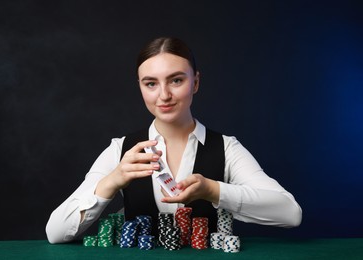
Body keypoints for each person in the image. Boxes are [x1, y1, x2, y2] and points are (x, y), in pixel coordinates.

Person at [46, 37, 302, 244]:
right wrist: (111, 182)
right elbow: (55, 232)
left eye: (176, 80)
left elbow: (290, 213)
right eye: (151, 84)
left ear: (196, 82)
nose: (164, 95)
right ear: (140, 87)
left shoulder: (227, 148)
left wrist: (213, 190)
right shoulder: (120, 150)